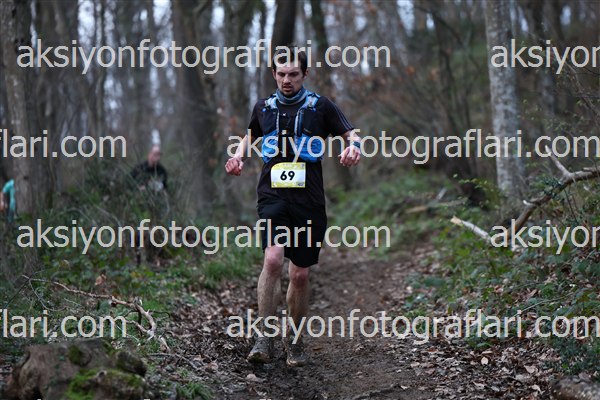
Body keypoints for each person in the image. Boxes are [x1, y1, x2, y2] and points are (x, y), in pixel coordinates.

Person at [225, 46, 361, 367]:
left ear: (305, 74)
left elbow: (351, 133)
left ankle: (295, 340)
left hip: (309, 199)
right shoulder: (264, 107)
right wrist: (238, 156)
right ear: (274, 74)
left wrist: (353, 148)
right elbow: (250, 134)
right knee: (272, 260)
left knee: (299, 275)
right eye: (282, 74)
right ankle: (264, 337)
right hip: (272, 195)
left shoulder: (320, 106)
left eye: (294, 74)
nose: (287, 80)